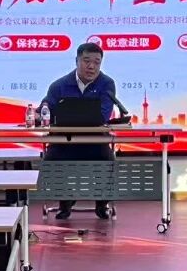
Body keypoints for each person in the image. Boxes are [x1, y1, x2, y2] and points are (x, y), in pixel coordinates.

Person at [41, 42, 125, 220]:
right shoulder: (59, 85)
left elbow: (103, 114)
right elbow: (46, 108)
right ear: (77, 61)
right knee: (51, 161)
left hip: (96, 141)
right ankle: (65, 201)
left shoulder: (107, 84)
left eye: (97, 62)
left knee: (108, 161)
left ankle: (102, 203)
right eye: (87, 61)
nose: (91, 66)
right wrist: (42, 111)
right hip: (64, 141)